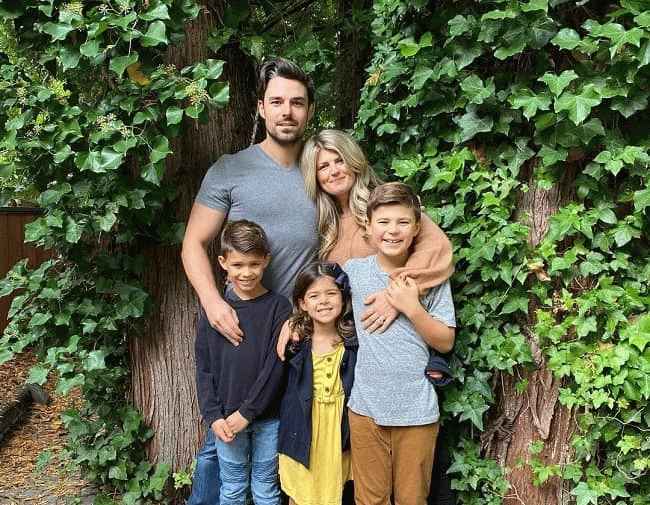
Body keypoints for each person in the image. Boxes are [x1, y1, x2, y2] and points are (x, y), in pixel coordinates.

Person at [183, 57, 318, 505]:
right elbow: (193, 243)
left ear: (309, 110)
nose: (287, 111)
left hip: (299, 333)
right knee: (221, 444)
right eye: (276, 101)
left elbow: (382, 216)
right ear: (261, 107)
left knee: (286, 445)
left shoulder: (323, 168)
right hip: (240, 329)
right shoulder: (230, 170)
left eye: (297, 102)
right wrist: (213, 303)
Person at [344, 182, 456, 505]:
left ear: (417, 227)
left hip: (416, 412)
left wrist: (411, 307)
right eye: (383, 222)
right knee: (369, 500)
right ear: (368, 226)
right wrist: (293, 324)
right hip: (366, 409)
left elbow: (446, 341)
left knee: (412, 499)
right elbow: (317, 299)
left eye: (403, 222)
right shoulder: (354, 272)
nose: (392, 230)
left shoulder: (431, 278)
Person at [194, 220, 292, 505]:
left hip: (268, 419)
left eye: (254, 264)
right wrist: (213, 416)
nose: (246, 273)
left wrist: (247, 412)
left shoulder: (279, 307)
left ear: (266, 261)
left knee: (266, 491)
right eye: (237, 265)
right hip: (225, 420)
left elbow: (276, 367)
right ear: (223, 262)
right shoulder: (215, 312)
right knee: (233, 489)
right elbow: (204, 368)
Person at [277, 262, 357, 505]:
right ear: (302, 303)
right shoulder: (296, 344)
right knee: (300, 491)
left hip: (338, 430)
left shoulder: (353, 341)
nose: (323, 301)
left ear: (343, 298)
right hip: (302, 428)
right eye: (314, 296)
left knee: (335, 491)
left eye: (331, 293)